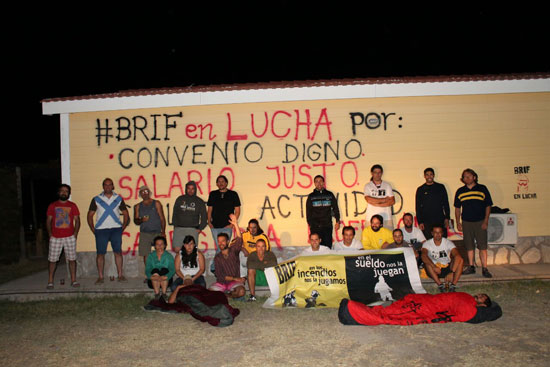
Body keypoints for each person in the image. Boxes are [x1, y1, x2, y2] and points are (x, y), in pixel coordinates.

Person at [339, 292, 501, 326]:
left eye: (483, 297)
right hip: (429, 300)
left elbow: (460, 316)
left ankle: (352, 312)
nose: (479, 295)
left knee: (393, 313)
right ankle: (358, 310)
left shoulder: (470, 309)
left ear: (483, 304)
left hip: (428, 307)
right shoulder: (466, 296)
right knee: (395, 307)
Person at [87, 178, 129, 284]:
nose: (108, 187)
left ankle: (120, 275)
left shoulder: (118, 198)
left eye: (110, 185)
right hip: (101, 230)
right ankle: (100, 277)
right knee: (100, 254)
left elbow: (125, 213)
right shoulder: (96, 199)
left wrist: (123, 227)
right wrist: (93, 228)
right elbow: (90, 215)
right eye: (106, 185)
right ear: (103, 186)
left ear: (113, 186)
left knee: (118, 252)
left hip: (116, 229)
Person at [454, 168, 493, 278]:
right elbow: (457, 208)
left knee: (482, 246)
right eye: (465, 177)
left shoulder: (482, 189)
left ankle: (485, 268)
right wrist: (458, 222)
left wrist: (486, 221)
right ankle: (471, 267)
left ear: (474, 177)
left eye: (469, 176)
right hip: (466, 222)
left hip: (480, 222)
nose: (467, 178)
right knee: (469, 246)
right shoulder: (460, 191)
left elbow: (488, 205)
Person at [46, 184, 81, 289]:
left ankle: (73, 280)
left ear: (69, 193)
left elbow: (77, 220)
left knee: (72, 259)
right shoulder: (53, 205)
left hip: (69, 237)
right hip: (56, 237)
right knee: (52, 260)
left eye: (66, 191)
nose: (64, 193)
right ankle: (50, 281)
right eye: (62, 191)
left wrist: (75, 234)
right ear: (59, 192)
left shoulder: (72, 205)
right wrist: (50, 234)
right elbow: (48, 221)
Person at [207, 175, 241, 270]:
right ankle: (219, 267)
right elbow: (209, 210)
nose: (221, 183)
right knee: (219, 247)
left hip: (227, 227)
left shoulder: (233, 194)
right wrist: (209, 222)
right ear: (217, 184)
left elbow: (237, 211)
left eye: (223, 181)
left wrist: (232, 224)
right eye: (219, 181)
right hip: (215, 226)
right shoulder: (213, 194)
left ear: (226, 183)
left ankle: (215, 267)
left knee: (223, 247)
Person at [208, 214, 246, 299]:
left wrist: (235, 224)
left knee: (241, 291)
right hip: (222, 283)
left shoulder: (233, 251)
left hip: (234, 283)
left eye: (223, 241)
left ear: (228, 241)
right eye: (219, 241)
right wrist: (236, 279)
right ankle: (229, 295)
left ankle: (226, 296)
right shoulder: (217, 257)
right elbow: (219, 275)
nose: (221, 243)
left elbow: (239, 240)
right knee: (210, 292)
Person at [421, 225, 464, 292]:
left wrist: (452, 272)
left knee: (460, 260)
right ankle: (440, 285)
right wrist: (434, 266)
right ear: (432, 233)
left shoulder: (448, 242)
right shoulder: (427, 243)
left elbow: (457, 255)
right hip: (434, 269)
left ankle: (453, 285)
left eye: (439, 232)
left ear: (442, 233)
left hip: (447, 266)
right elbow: (423, 256)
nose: (437, 234)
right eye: (435, 232)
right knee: (427, 263)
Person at [134, 185, 166, 269]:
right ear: (140, 194)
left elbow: (162, 218)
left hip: (157, 232)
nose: (145, 194)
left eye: (146, 191)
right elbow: (136, 221)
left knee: (160, 252)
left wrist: (163, 232)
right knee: (146, 255)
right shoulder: (137, 206)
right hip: (144, 233)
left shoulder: (156, 203)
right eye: (143, 192)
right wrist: (141, 220)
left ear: (149, 193)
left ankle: (160, 271)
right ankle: (149, 274)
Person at [172, 181, 207, 253]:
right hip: (179, 228)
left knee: (191, 251)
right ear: (186, 189)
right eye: (188, 188)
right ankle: (179, 264)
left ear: (195, 190)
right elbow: (175, 213)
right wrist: (175, 226)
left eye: (192, 189)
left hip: (192, 229)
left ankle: (190, 264)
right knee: (177, 250)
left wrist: (200, 228)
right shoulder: (180, 199)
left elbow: (204, 217)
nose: (190, 190)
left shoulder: (199, 201)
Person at [306, 175, 340, 249]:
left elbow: (335, 208)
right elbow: (308, 212)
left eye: (320, 181)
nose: (319, 183)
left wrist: (337, 221)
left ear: (323, 183)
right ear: (314, 183)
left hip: (327, 226)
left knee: (327, 246)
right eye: (317, 181)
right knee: (316, 247)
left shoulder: (329, 195)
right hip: (315, 227)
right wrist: (311, 224)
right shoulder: (311, 196)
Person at [415, 168, 451, 239]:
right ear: (424, 176)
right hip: (427, 220)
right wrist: (420, 222)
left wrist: (447, 218)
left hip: (440, 219)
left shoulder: (440, 187)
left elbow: (446, 203)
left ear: (434, 175)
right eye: (427, 175)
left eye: (431, 174)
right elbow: (418, 207)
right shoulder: (420, 189)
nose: (429, 176)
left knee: (442, 239)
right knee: (428, 240)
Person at [364, 164, 395, 229]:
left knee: (388, 238)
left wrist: (376, 203)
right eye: (375, 172)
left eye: (379, 172)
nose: (377, 175)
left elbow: (392, 201)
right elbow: (368, 199)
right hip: (371, 217)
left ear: (381, 173)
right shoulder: (368, 186)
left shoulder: (387, 185)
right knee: (371, 238)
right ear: (372, 173)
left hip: (386, 218)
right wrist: (384, 200)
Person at [145, 236, 175, 300]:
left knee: (164, 270)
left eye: (161, 244)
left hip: (166, 280)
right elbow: (147, 269)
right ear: (155, 246)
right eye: (157, 244)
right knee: (155, 270)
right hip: (153, 281)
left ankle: (164, 294)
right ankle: (157, 294)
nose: (159, 246)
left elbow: (172, 269)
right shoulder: (151, 256)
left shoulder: (169, 256)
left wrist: (167, 276)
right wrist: (151, 277)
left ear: (165, 245)